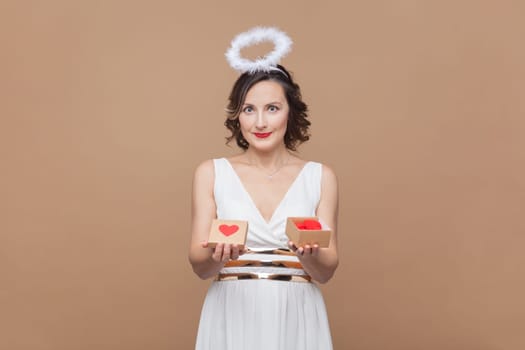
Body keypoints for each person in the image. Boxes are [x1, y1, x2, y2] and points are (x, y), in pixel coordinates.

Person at [189, 26, 339, 350]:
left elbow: (326, 271)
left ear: (290, 113)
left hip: (297, 311)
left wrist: (308, 256)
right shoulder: (211, 173)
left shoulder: (320, 177)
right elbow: (199, 265)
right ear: (237, 117)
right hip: (232, 308)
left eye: (272, 108)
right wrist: (218, 257)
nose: (260, 123)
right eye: (248, 109)